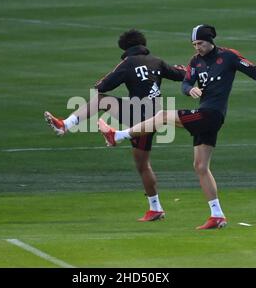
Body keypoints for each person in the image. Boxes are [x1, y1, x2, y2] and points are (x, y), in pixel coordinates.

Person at [99, 24, 256, 229]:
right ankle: (217, 215)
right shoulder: (195, 61)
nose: (197, 47)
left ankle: (118, 136)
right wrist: (189, 89)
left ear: (210, 40)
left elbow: (254, 71)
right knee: (200, 166)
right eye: (194, 44)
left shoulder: (229, 56)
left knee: (163, 116)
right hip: (205, 114)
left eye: (200, 43)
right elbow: (185, 83)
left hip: (212, 114)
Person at [45, 29, 185, 221]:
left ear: (125, 48)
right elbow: (180, 75)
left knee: (101, 100)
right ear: (143, 45)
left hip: (137, 115)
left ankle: (65, 125)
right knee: (143, 164)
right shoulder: (157, 61)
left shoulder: (127, 64)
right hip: (155, 117)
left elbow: (102, 87)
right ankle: (155, 209)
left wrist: (101, 82)